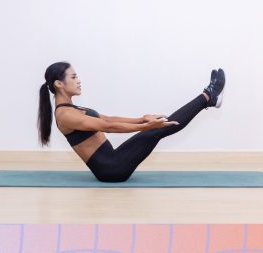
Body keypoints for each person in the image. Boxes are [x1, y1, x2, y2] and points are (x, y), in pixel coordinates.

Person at [38, 61, 225, 182]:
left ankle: (209, 97)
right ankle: (208, 96)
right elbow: (108, 127)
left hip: (113, 161)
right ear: (58, 84)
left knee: (156, 128)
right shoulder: (65, 115)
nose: (78, 80)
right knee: (156, 130)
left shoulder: (73, 109)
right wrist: (147, 126)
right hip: (111, 169)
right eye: (73, 77)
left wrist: (141, 119)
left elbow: (108, 119)